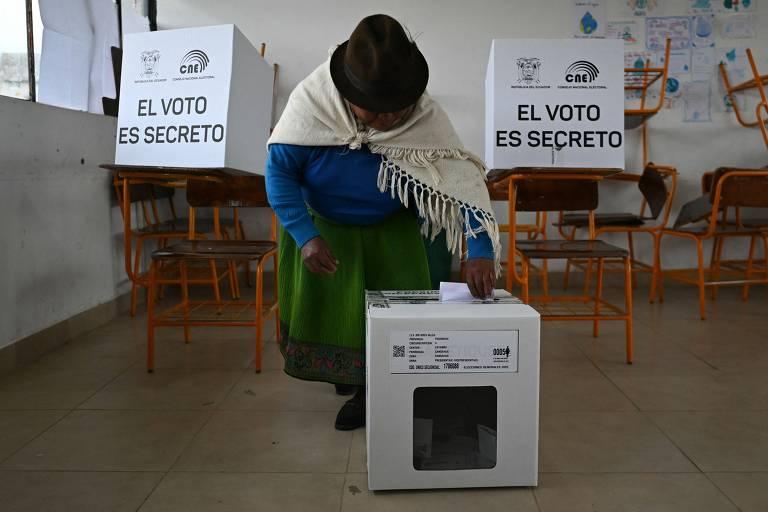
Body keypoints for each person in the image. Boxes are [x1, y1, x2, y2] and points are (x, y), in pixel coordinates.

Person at [266, 14, 500, 430]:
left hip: (393, 226)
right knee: (339, 311)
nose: (390, 120)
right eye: (375, 110)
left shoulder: (424, 116)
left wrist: (479, 249)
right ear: (345, 92)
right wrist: (305, 236)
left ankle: (370, 391)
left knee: (395, 319)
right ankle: (348, 372)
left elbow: (462, 183)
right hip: (324, 227)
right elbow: (279, 173)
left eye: (399, 109)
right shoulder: (311, 104)